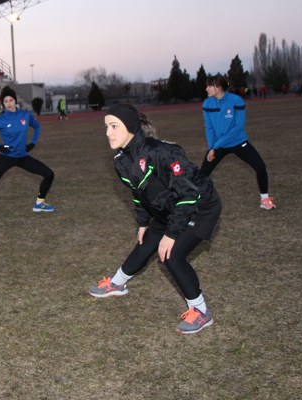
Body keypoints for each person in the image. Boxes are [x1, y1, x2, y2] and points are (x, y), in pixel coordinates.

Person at [88, 104, 221, 335]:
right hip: (168, 207)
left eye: (114, 126)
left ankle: (200, 312)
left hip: (199, 207)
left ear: (130, 127)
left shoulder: (161, 152)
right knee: (146, 241)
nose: (108, 132)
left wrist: (171, 234)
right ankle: (117, 283)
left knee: (171, 254)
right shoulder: (121, 161)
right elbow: (138, 193)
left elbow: (189, 194)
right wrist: (143, 222)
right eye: (106, 127)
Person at [0, 86, 56, 221]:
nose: (8, 103)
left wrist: (33, 143)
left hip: (23, 157)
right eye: (5, 101)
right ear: (3, 103)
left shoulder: (25, 115)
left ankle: (39, 203)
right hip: (6, 157)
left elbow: (37, 126)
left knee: (49, 174)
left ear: (15, 101)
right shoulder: (0, 120)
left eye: (11, 100)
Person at [199, 75, 276, 210]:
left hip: (238, 142)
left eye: (209, 86)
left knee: (260, 166)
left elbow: (238, 127)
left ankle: (265, 200)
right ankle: (194, 206)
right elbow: (209, 127)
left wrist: (216, 146)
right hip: (217, 145)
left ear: (218, 87)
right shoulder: (207, 104)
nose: (206, 89)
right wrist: (212, 147)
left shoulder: (236, 101)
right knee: (201, 175)